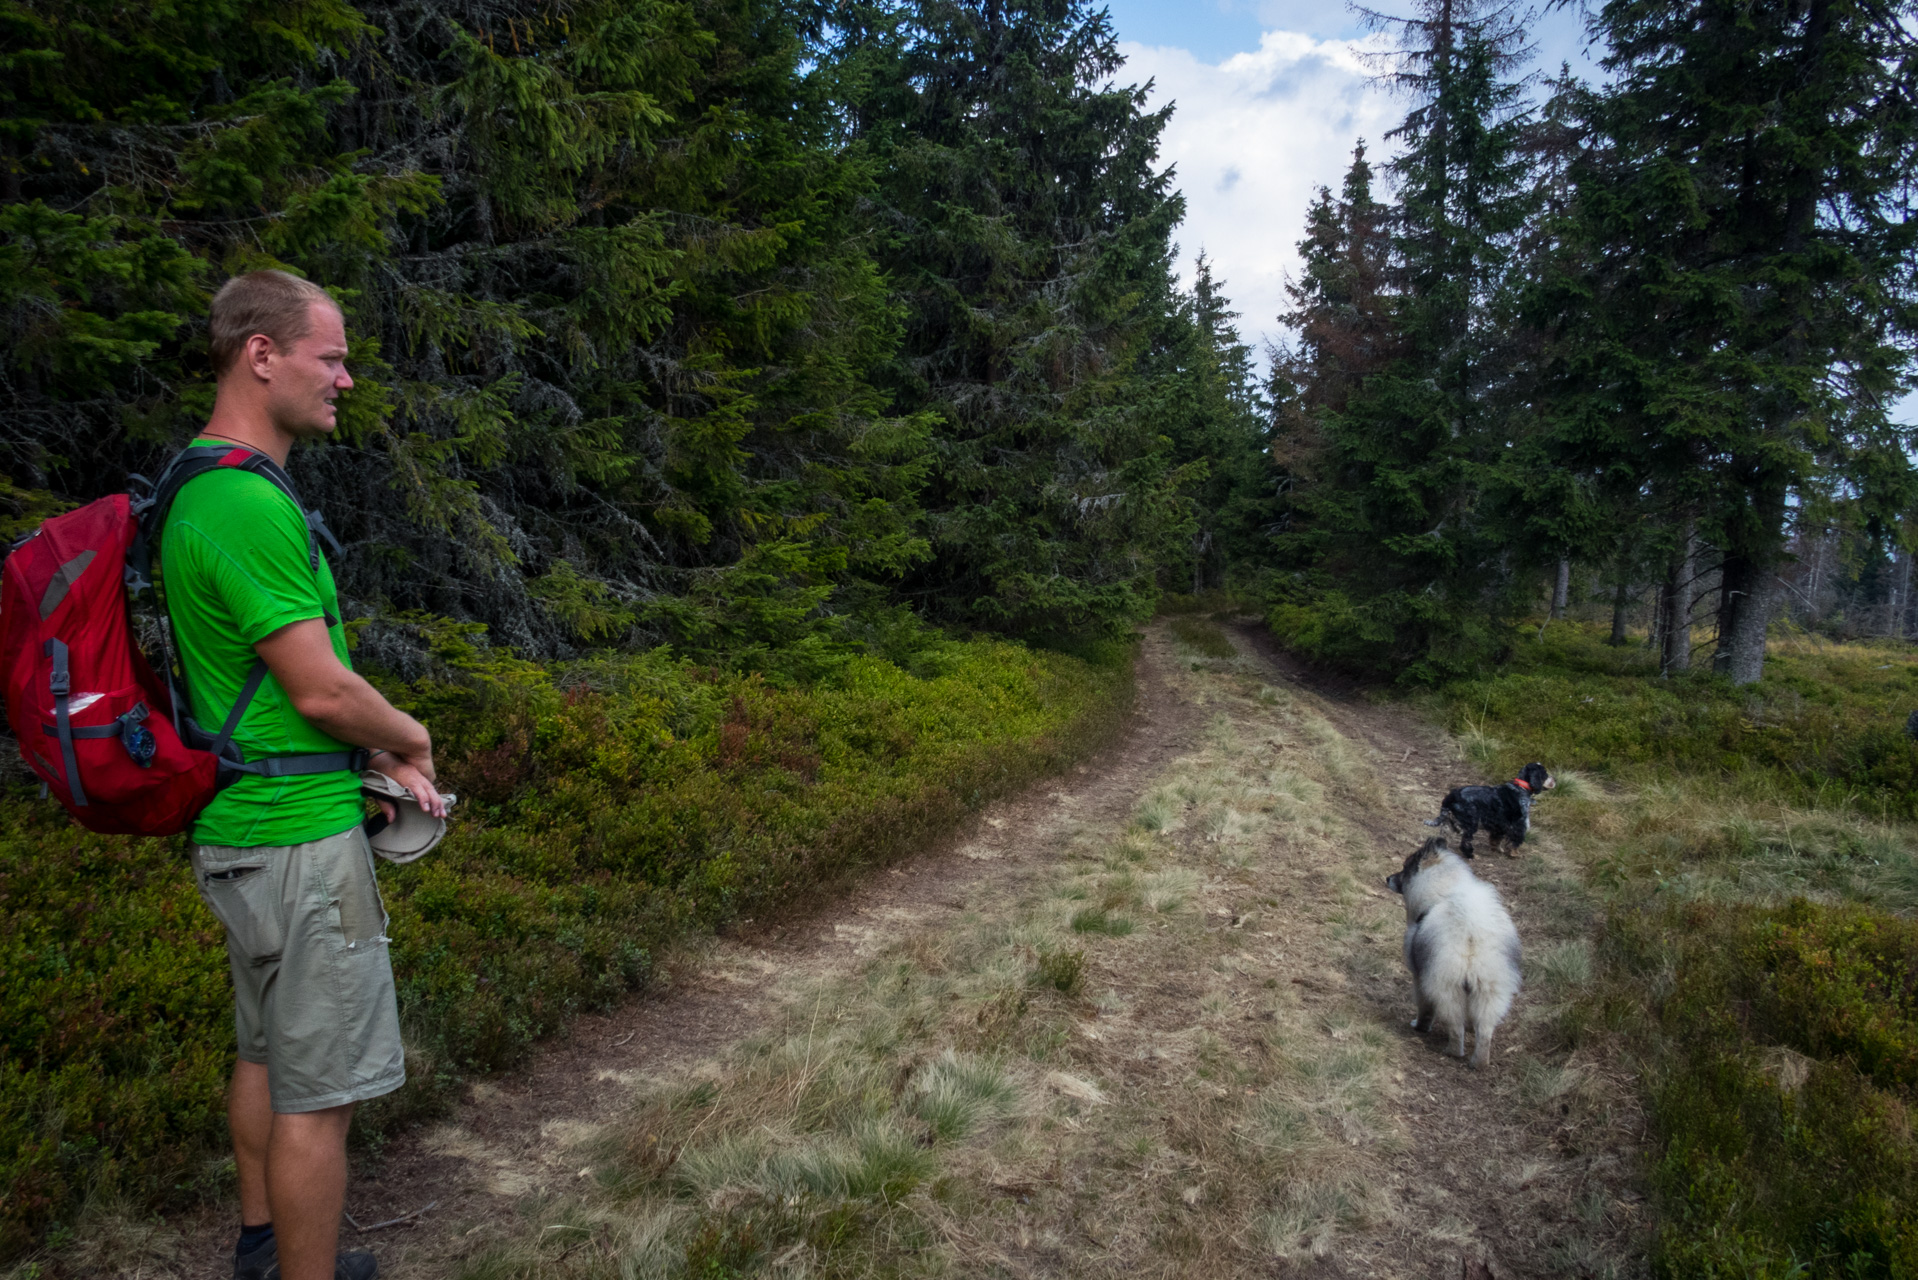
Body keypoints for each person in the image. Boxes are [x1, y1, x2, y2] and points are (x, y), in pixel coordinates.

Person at [162, 270, 447, 1280]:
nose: (346, 377)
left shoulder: (202, 484)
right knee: (317, 1095)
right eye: (330, 356)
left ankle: (258, 1245)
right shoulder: (242, 501)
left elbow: (279, 693)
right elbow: (320, 688)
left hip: (247, 828)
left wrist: (366, 748)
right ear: (261, 354)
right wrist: (406, 732)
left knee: (264, 1053)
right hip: (295, 845)